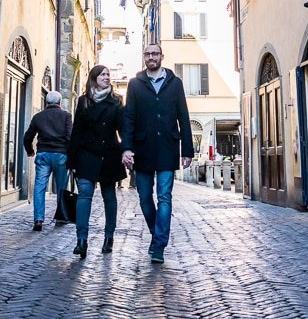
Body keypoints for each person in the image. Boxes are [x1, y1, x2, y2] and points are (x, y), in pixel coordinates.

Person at [121, 43, 193, 264]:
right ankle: (157, 235)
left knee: (164, 197)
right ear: (144, 57)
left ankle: (159, 244)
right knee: (144, 199)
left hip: (168, 149)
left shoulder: (175, 83)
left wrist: (187, 150)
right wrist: (126, 147)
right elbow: (129, 117)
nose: (151, 57)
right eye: (147, 54)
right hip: (142, 150)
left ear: (162, 56)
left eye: (154, 53)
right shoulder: (135, 84)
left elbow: (183, 116)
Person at [67, 65, 126, 259]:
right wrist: (72, 158)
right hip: (87, 154)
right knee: (85, 194)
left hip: (109, 154)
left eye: (108, 75)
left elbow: (122, 129)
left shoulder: (116, 101)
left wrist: (127, 149)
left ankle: (109, 236)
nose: (107, 77)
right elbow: (77, 130)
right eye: (103, 74)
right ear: (94, 78)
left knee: (109, 196)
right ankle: (81, 240)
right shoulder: (84, 101)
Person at [22, 90, 72, 231]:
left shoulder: (38, 117)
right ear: (59, 102)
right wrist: (71, 153)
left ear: (46, 102)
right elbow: (70, 136)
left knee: (39, 187)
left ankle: (38, 219)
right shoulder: (66, 116)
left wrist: (30, 150)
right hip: (61, 154)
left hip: (43, 154)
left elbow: (28, 136)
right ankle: (61, 217)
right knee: (61, 187)